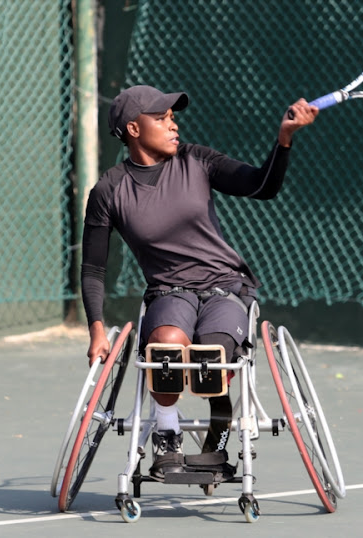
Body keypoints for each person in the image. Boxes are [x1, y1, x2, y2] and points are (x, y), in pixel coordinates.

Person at [81, 85, 317, 478]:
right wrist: (97, 330)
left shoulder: (197, 161)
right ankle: (167, 434)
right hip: (169, 291)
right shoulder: (110, 190)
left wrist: (285, 139)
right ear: (134, 129)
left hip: (226, 286)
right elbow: (93, 268)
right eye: (162, 118)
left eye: (173, 117)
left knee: (213, 355)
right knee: (166, 346)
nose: (173, 124)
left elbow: (261, 185)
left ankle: (220, 423)